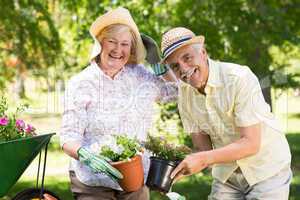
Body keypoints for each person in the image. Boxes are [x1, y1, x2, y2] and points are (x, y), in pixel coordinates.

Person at [159, 27, 292, 199]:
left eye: (187, 57)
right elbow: (202, 149)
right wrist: (174, 165)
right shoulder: (184, 96)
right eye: (175, 66)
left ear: (203, 53)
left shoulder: (239, 78)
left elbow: (251, 143)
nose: (183, 69)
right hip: (227, 175)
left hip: (266, 169)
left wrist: (203, 159)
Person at [60, 7, 176, 200]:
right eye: (112, 42)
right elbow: (68, 137)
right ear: (100, 44)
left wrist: (157, 63)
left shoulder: (140, 76)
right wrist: (85, 155)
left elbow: (175, 92)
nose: (118, 50)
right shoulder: (81, 83)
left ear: (131, 49)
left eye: (125, 44)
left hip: (135, 179)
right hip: (92, 180)